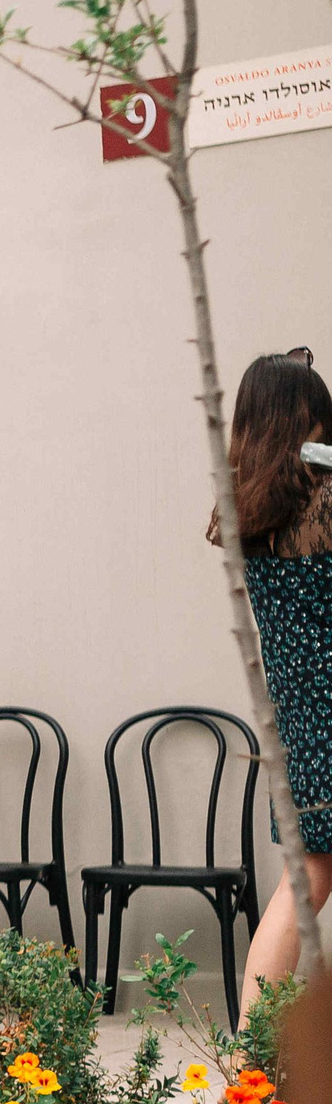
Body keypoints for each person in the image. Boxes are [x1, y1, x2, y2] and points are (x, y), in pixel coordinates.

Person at [212, 352, 332, 1010]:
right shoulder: (325, 497)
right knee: (305, 879)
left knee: (301, 879)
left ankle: (251, 1054)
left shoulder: (250, 506)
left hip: (296, 716)